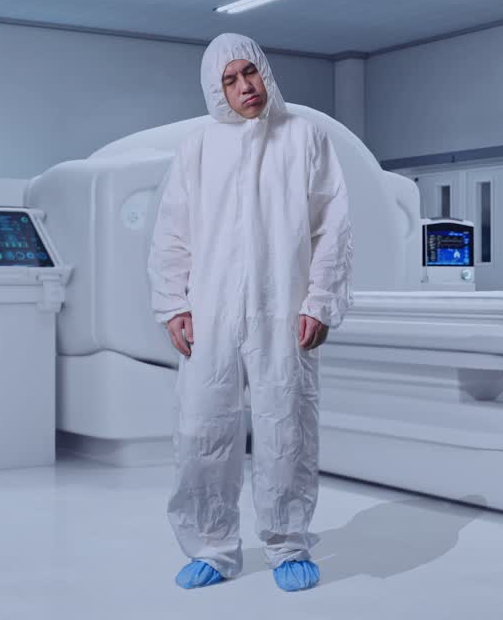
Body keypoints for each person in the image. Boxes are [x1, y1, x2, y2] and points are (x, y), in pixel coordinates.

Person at [147, 33, 354, 592]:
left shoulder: (305, 138)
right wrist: (173, 305)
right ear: (216, 90)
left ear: (265, 71)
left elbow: (332, 230)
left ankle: (288, 545)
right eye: (230, 80)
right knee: (201, 431)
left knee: (286, 428)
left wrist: (321, 303)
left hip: (283, 312)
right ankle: (211, 548)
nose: (245, 87)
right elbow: (172, 233)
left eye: (250, 73)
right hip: (210, 311)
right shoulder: (198, 146)